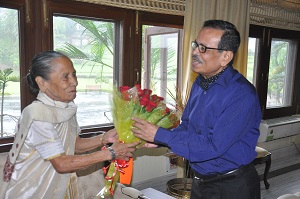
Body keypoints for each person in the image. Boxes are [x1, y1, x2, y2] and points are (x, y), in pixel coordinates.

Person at [132, 20, 262, 199]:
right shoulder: (200, 83)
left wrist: (160, 135)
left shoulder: (241, 94)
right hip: (200, 182)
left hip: (232, 186)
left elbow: (213, 146)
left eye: (203, 48)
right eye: (195, 45)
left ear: (226, 56)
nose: (194, 52)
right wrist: (161, 139)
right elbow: (187, 127)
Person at [1, 51, 139, 199]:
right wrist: (111, 152)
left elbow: (74, 144)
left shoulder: (66, 108)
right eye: (65, 77)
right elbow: (61, 163)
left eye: (74, 74)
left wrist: (104, 138)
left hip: (61, 188)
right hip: (33, 191)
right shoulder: (37, 115)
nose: (74, 82)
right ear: (42, 83)